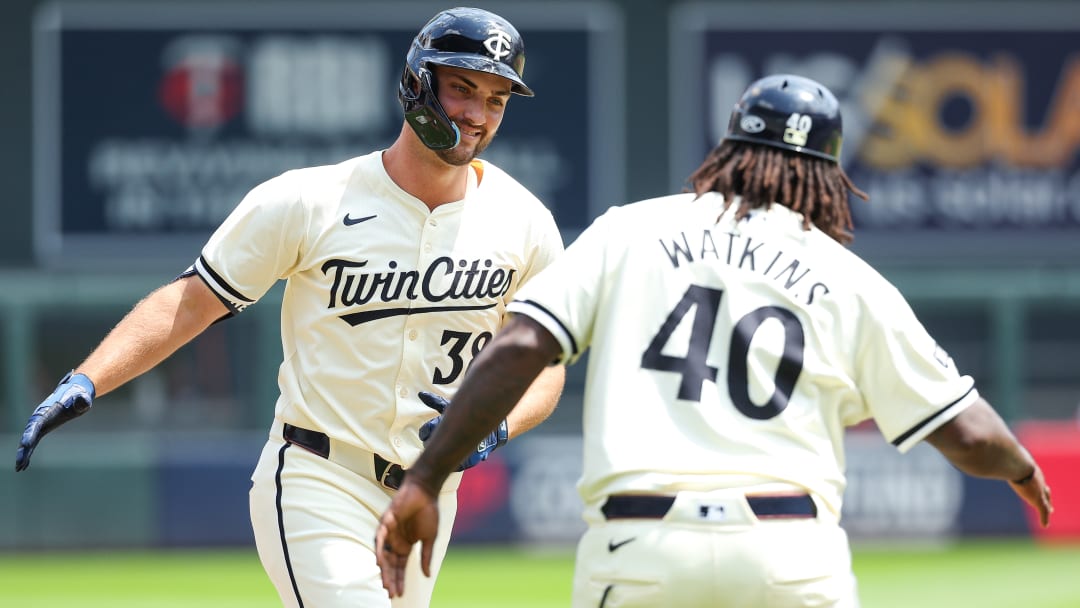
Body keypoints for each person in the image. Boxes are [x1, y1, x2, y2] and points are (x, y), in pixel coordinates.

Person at [373, 74, 1054, 607]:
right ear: (827, 173)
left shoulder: (630, 230)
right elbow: (967, 434)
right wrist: (1021, 467)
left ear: (730, 148)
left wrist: (426, 480)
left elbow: (521, 345)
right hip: (789, 552)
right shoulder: (847, 276)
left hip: (639, 545)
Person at [15, 7, 565, 608]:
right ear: (416, 82)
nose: (476, 114)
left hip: (427, 492)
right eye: (461, 88)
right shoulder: (309, 200)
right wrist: (88, 378)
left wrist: (499, 422)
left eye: (495, 99)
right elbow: (193, 301)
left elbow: (545, 362)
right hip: (317, 475)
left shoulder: (524, 222)